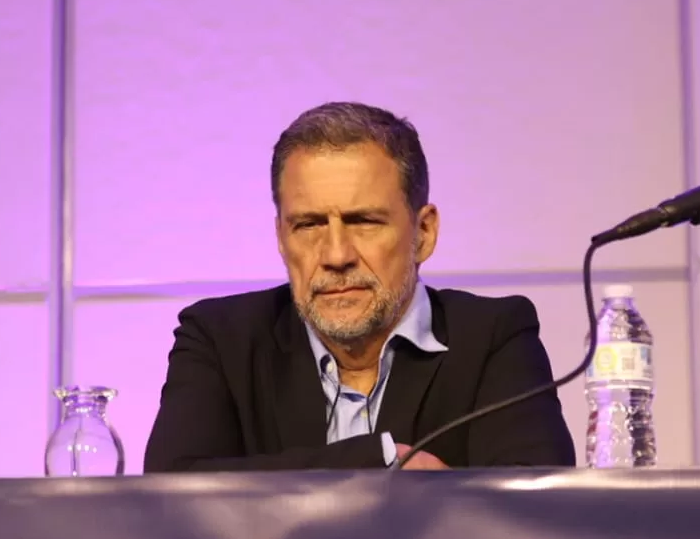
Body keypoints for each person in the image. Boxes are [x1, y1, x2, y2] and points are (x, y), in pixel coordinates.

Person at [143, 102, 575, 473]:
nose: (336, 255)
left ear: (423, 233)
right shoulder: (221, 340)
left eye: (364, 222)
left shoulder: (493, 337)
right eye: (308, 225)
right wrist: (380, 459)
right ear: (281, 238)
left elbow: (536, 509)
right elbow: (172, 491)